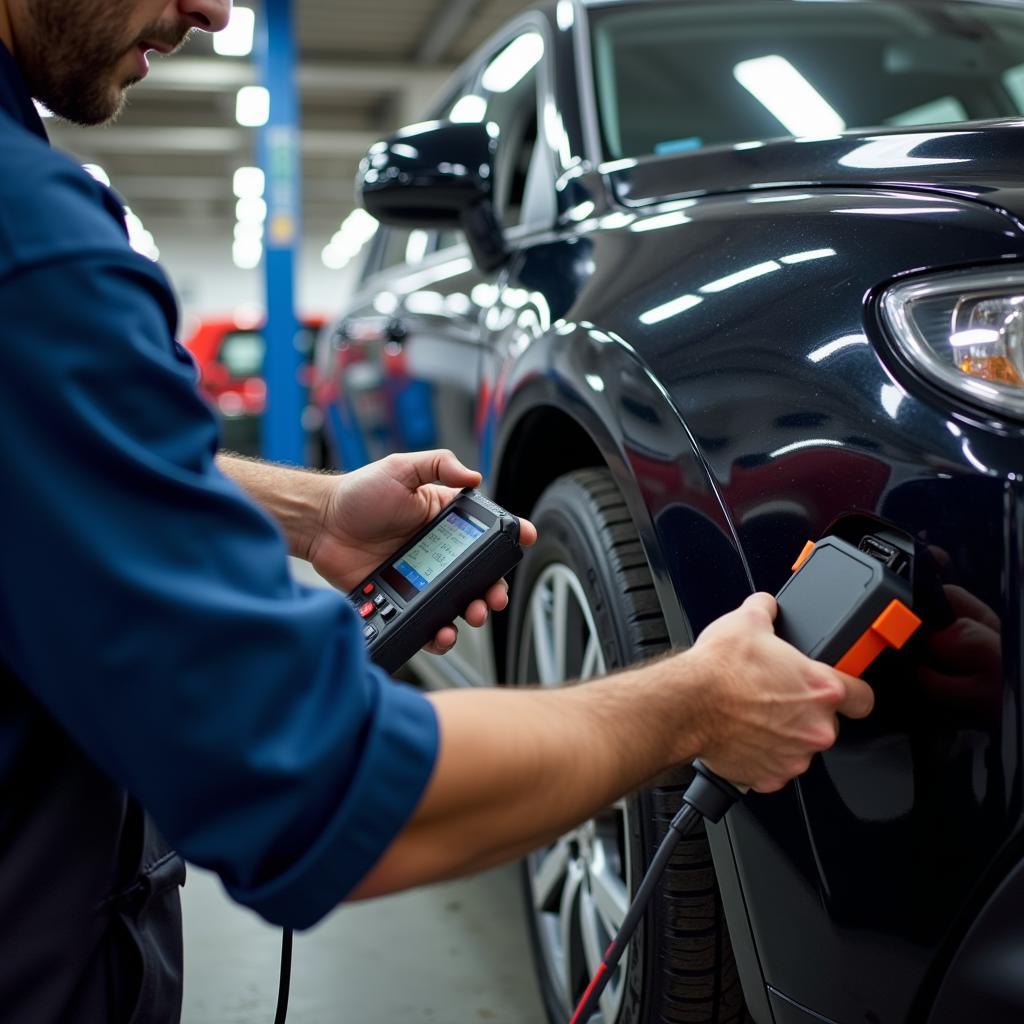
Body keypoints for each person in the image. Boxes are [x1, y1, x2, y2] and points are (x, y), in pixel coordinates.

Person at [0, 1, 875, 1021]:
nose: (217, 8)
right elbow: (311, 779)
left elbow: (44, 463)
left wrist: (315, 510)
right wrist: (696, 703)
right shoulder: (38, 245)